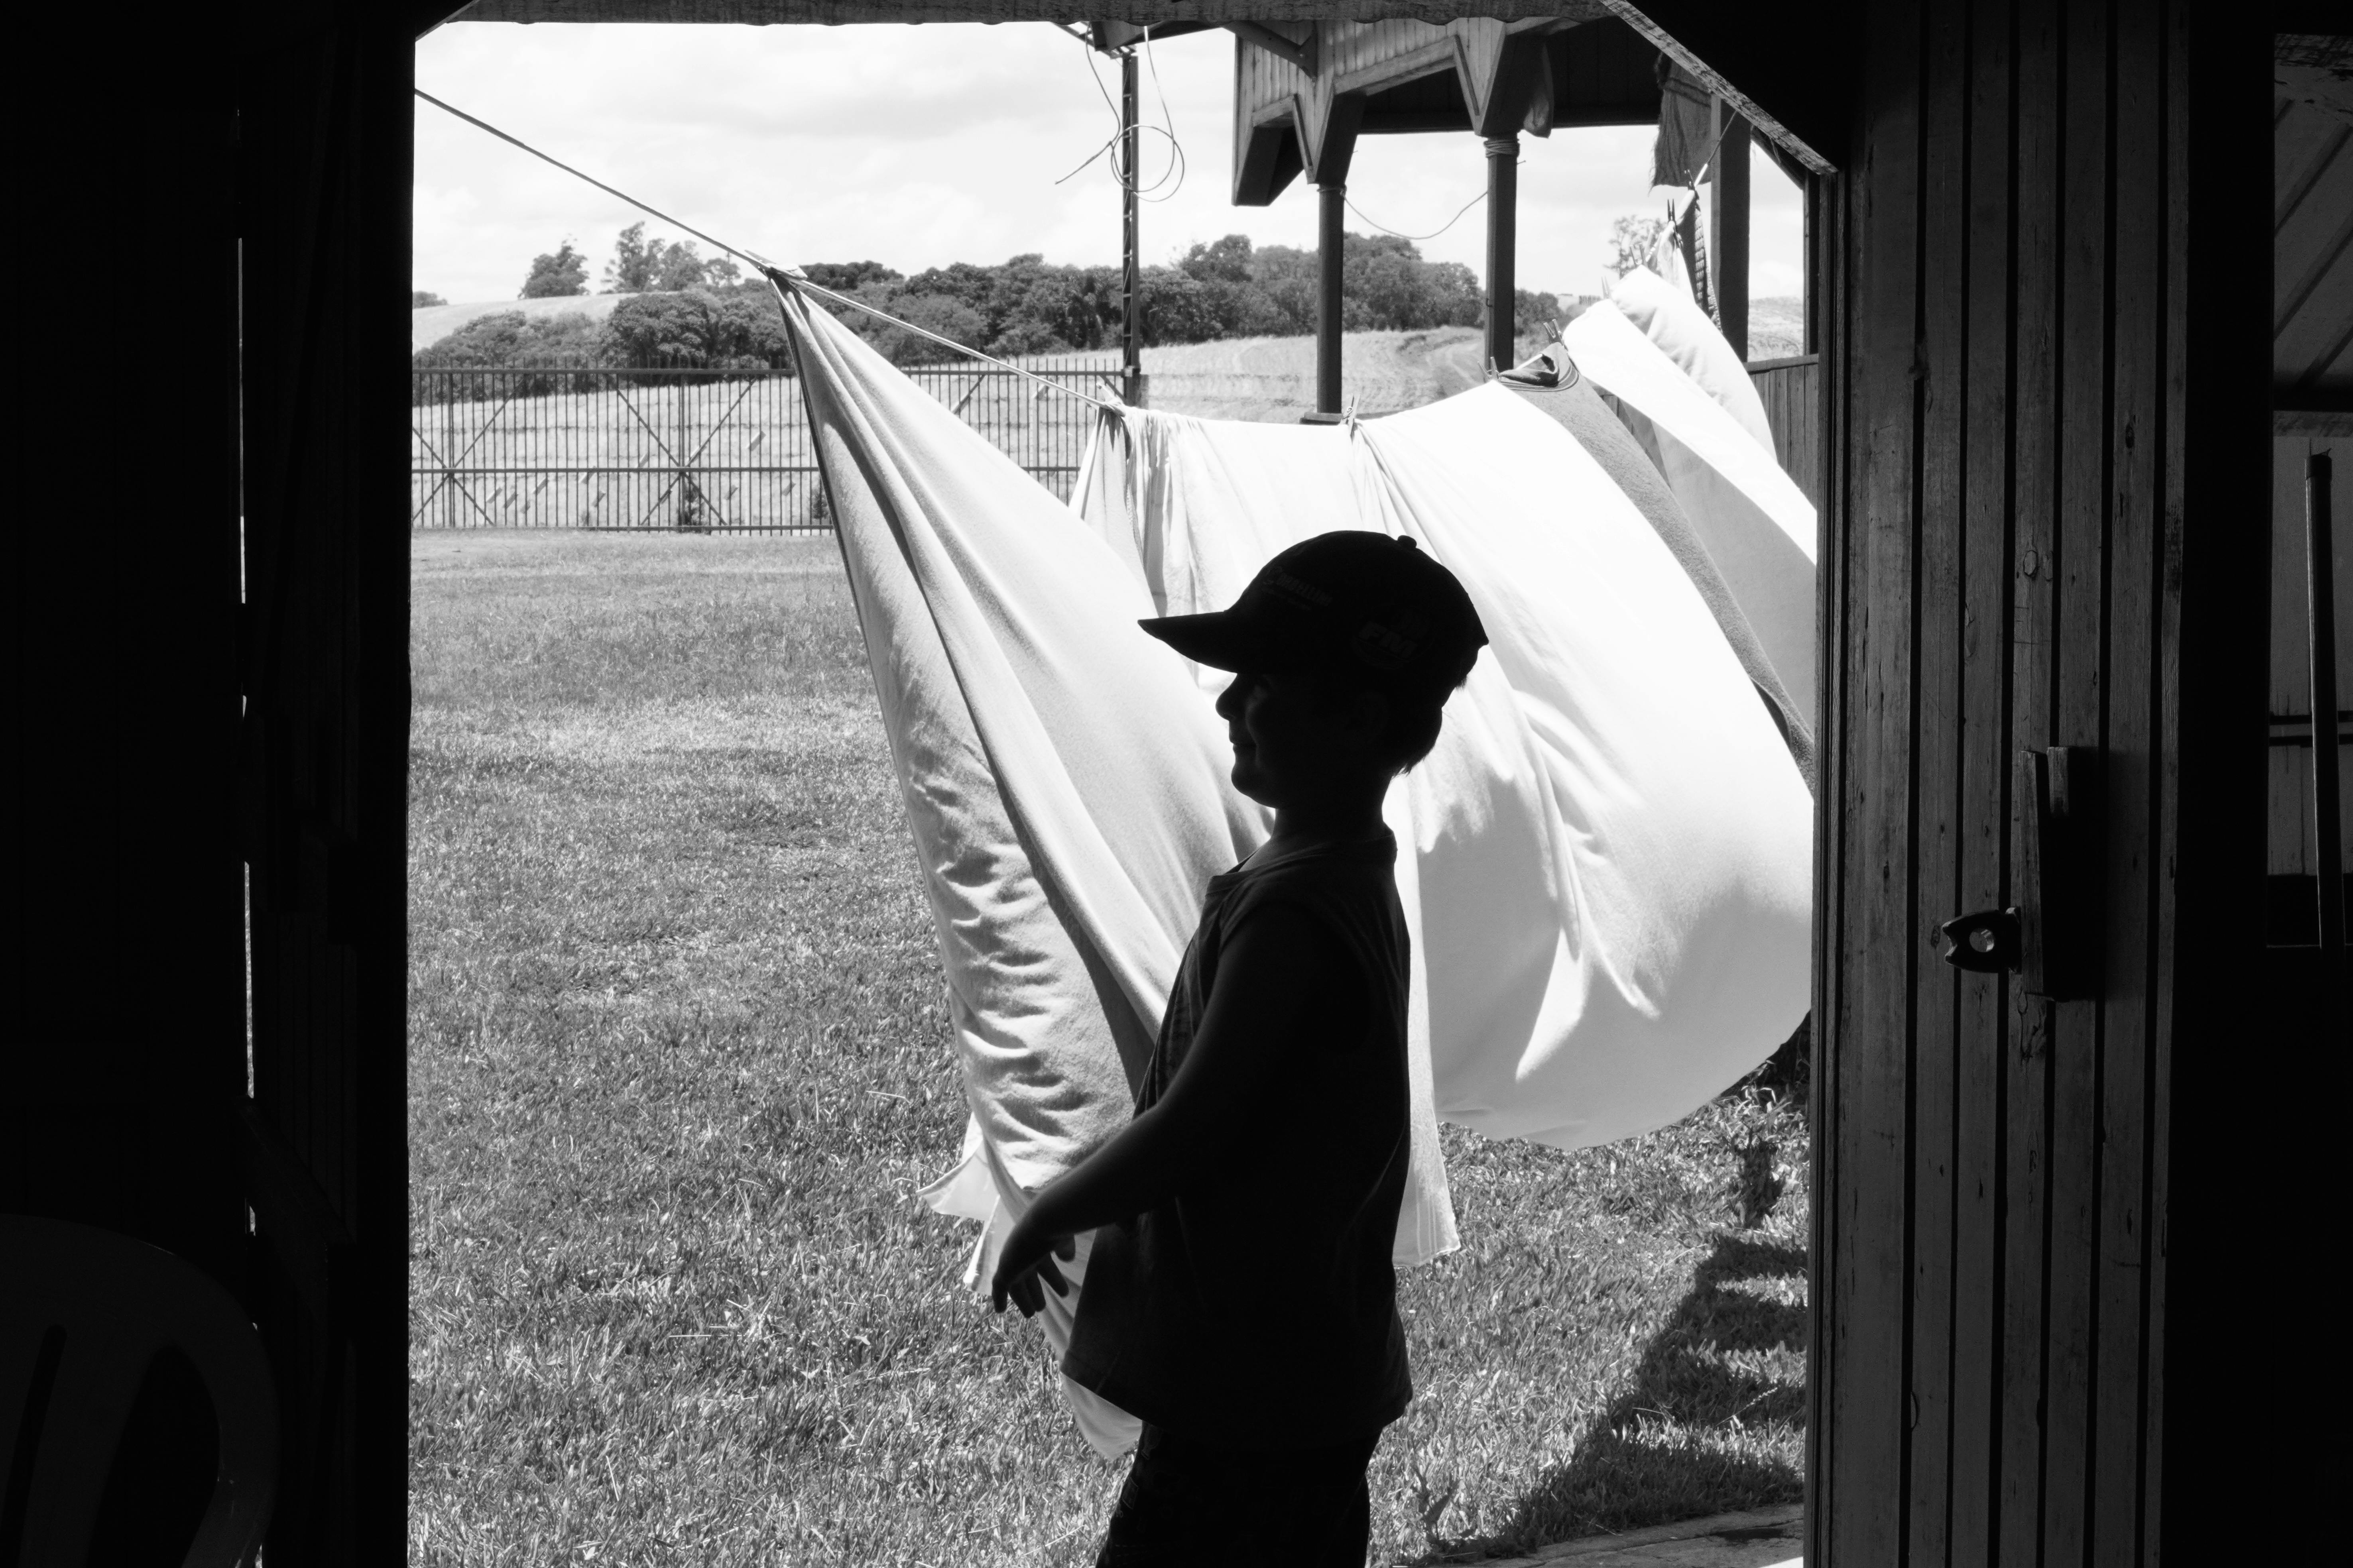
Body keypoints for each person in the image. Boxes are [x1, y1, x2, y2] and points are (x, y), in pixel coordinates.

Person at [989, 530, 1489, 1566]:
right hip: (1299, 1376)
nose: (1227, 704)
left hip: (1243, 1392)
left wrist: (1051, 1208)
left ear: (1357, 717)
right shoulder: (1345, 871)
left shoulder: (1296, 909)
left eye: (1263, 682)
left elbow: (1194, 1128)